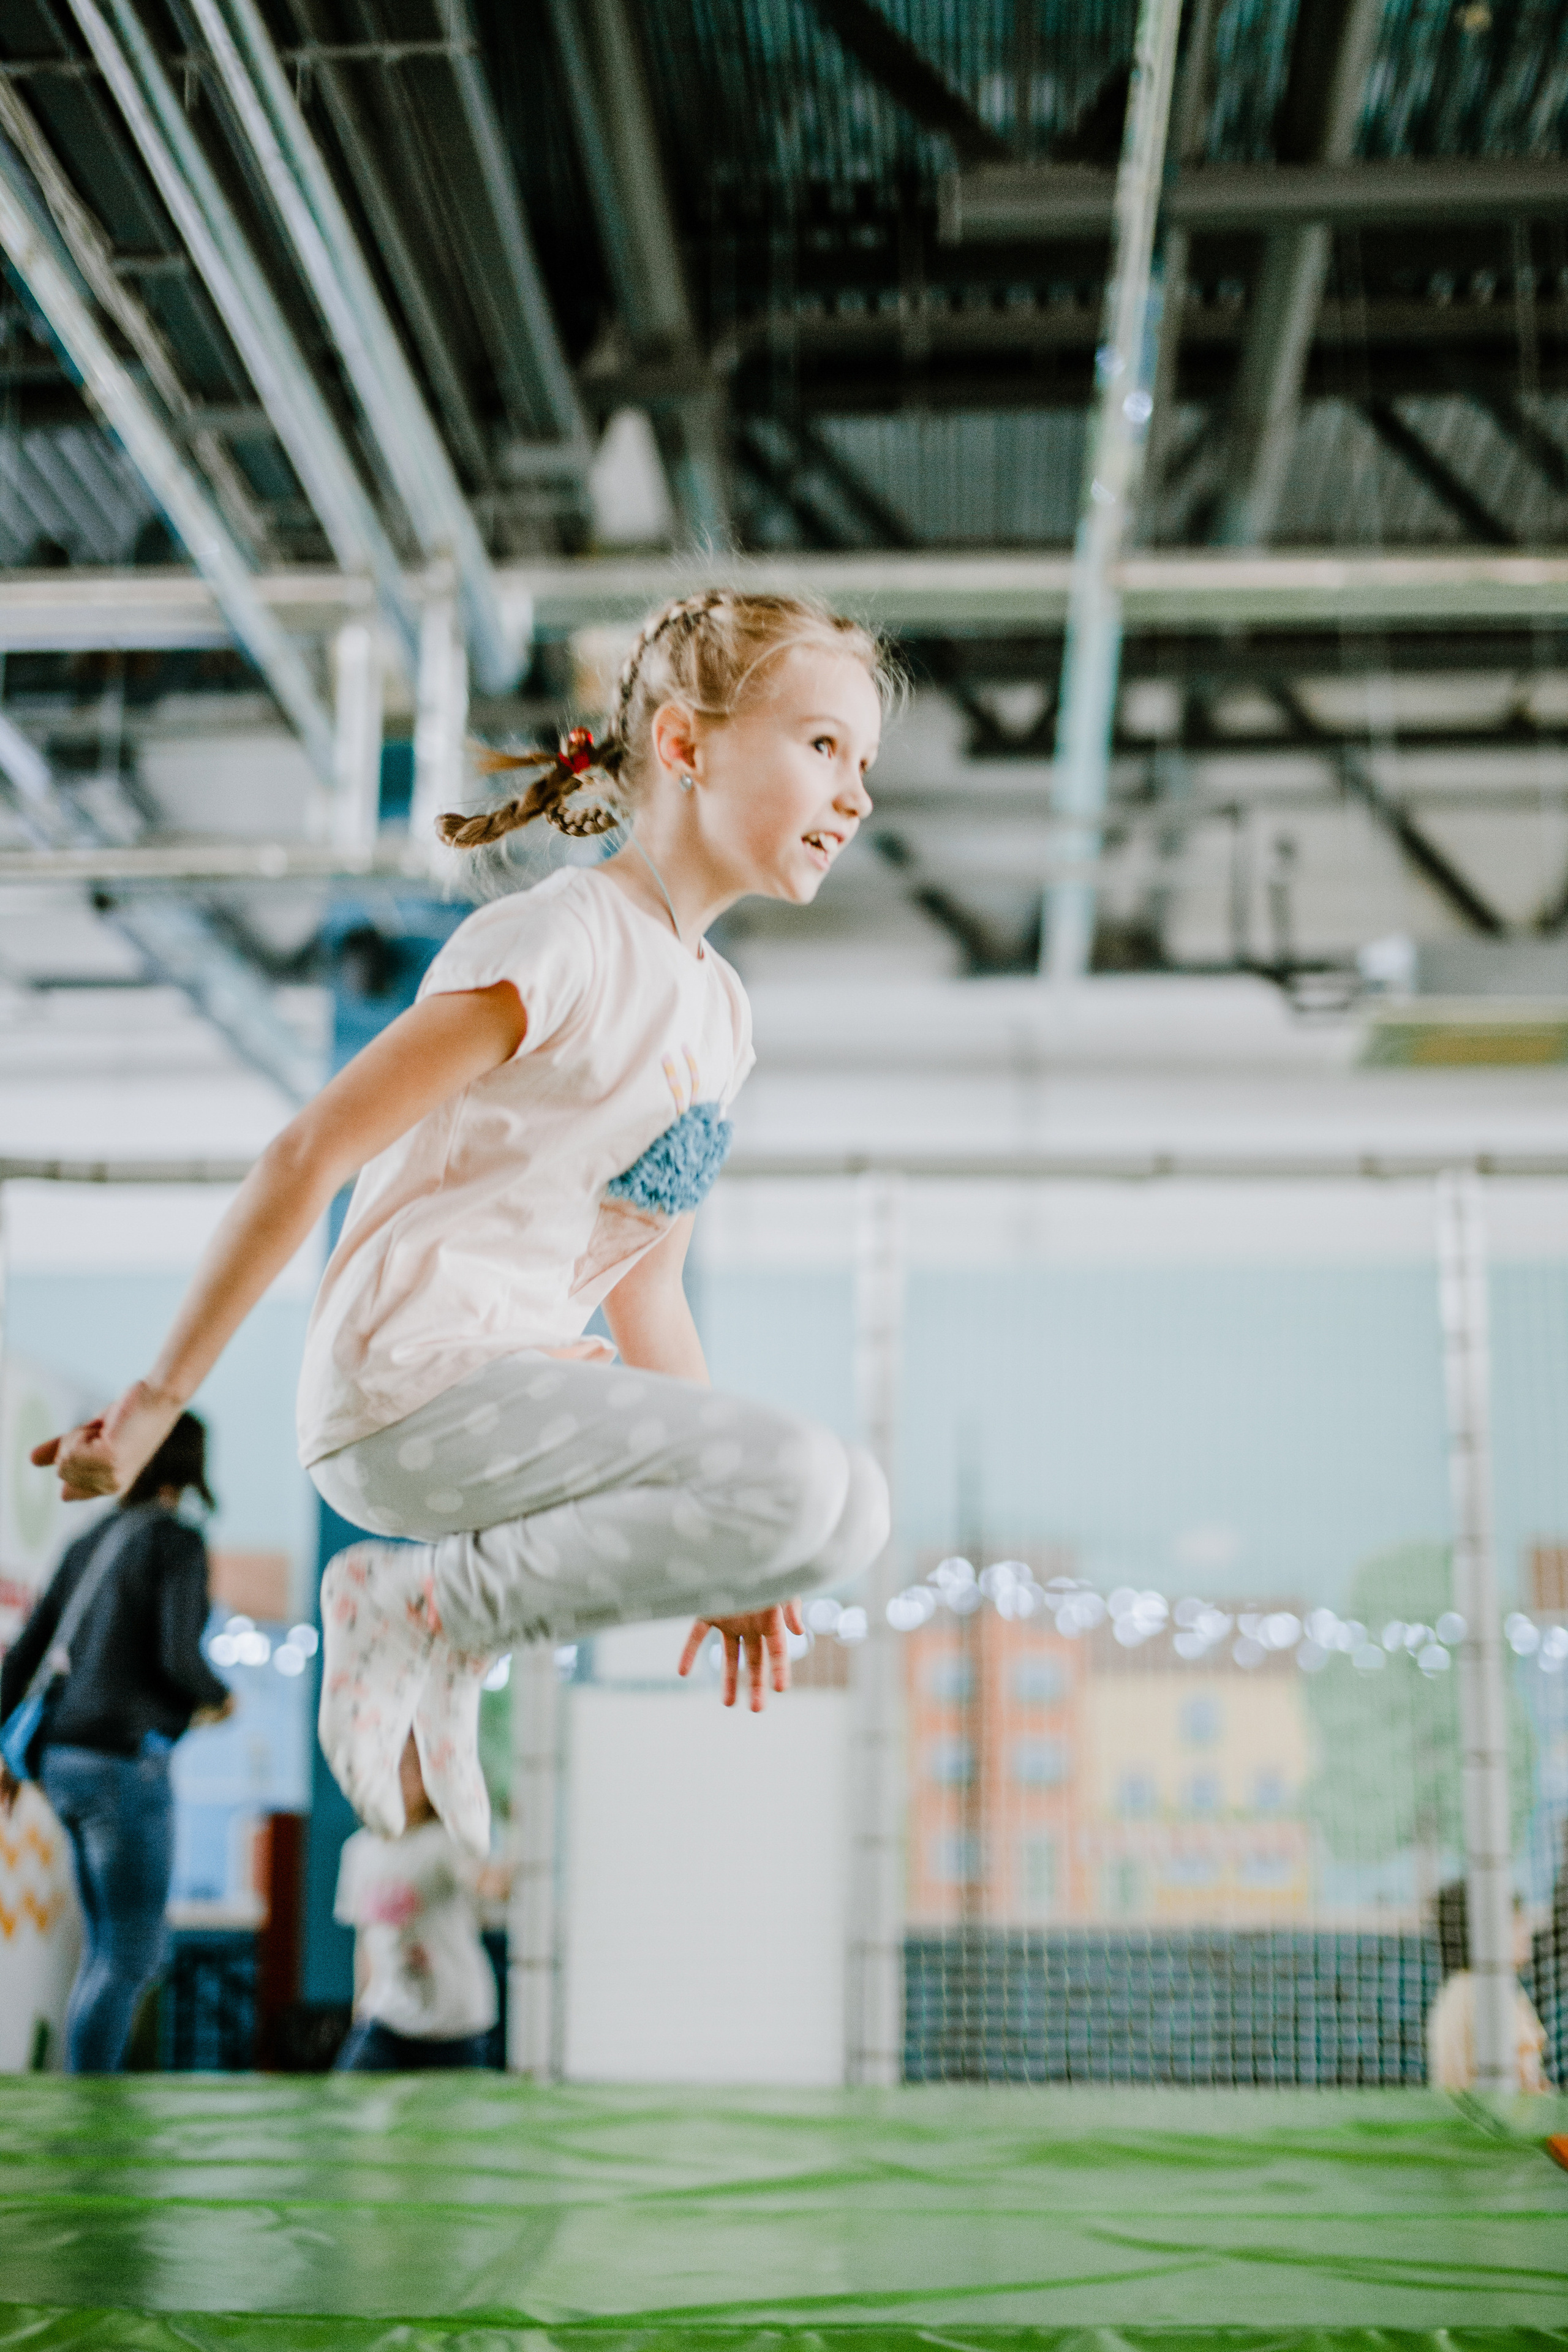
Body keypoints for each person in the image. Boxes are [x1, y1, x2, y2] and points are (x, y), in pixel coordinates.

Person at [32, 589, 893, 1864]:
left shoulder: (720, 1020)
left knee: (841, 1517)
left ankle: (448, 1618)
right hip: (407, 1383)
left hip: (514, 1393)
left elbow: (646, 1290)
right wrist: (159, 1396)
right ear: (682, 744)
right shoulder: (559, 938)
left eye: (865, 765)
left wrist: (739, 1552)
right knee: (810, 1480)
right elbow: (310, 1150)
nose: (855, 795)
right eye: (823, 746)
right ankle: (410, 1609)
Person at [1, 1414, 234, 2072]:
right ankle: (90, 2101)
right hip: (121, 1762)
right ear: (190, 1465)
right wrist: (222, 1697)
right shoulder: (178, 1541)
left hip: (61, 1762)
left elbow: (24, 1654)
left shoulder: (91, 1539)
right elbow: (177, 1656)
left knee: (106, 1949)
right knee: (132, 1953)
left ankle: (84, 2086)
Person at [334, 1732, 507, 2071]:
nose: (402, 1777)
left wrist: (511, 1859)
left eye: (413, 1768)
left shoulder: (447, 1844)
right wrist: (361, 2009)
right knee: (351, 2105)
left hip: (455, 2025)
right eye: (392, 1767)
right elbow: (366, 1941)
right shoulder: (359, 1852)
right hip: (387, 2018)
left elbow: (486, 1883)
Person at [1427, 1877, 1547, 2092]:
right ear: (1487, 1932)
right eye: (1517, 1922)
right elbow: (1527, 2083)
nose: (1527, 1932)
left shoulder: (1456, 1988)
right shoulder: (1490, 1993)